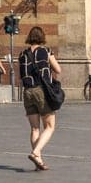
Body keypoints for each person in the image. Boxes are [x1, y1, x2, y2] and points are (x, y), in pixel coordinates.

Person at [18, 25, 61, 171]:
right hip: (41, 91)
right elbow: (58, 70)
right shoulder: (46, 51)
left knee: (35, 128)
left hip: (27, 92)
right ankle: (36, 152)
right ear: (42, 37)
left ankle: (39, 161)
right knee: (49, 126)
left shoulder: (22, 54)